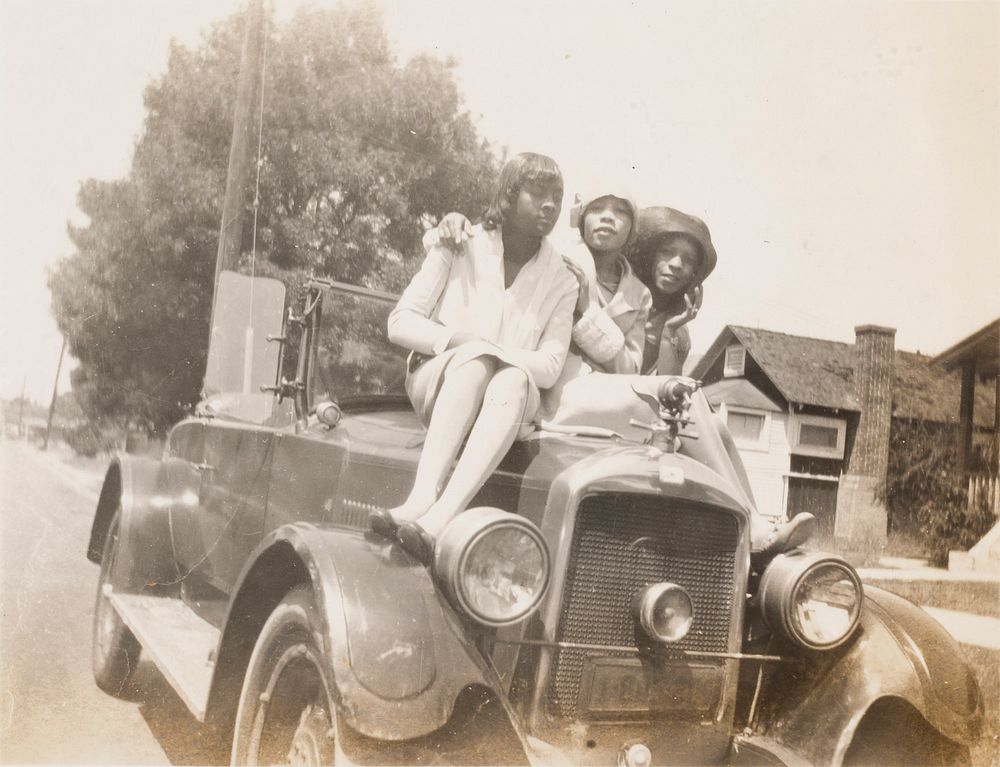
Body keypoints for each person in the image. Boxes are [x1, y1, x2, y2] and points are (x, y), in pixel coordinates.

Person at [376, 152, 578, 564]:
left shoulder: (562, 277)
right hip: (441, 380)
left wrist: (492, 353)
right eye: (537, 193)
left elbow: (551, 364)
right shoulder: (459, 243)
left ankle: (437, 521)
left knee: (511, 377)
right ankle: (420, 498)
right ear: (507, 195)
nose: (550, 205)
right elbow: (400, 322)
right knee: (475, 364)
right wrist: (460, 341)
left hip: (513, 404)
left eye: (556, 196)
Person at [433, 184, 652, 419]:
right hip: (537, 394)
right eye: (597, 208)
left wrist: (586, 312)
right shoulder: (550, 257)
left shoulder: (639, 294)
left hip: (605, 402)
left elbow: (630, 370)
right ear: (581, 218)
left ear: (633, 226)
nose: (608, 217)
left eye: (621, 211)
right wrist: (455, 221)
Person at [627, 206, 716, 375]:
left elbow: (667, 393)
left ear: (693, 274)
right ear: (652, 256)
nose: (676, 264)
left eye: (689, 260)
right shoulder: (622, 296)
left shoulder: (678, 333)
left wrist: (670, 328)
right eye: (667, 252)